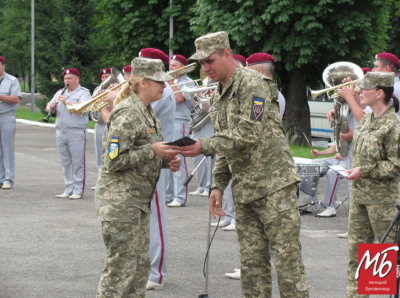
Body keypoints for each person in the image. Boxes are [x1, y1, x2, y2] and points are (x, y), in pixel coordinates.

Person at [180, 31, 309, 298]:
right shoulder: (219, 93)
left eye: (210, 61)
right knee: (252, 267)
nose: (205, 68)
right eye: (201, 64)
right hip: (245, 190)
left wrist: (202, 145)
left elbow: (248, 133)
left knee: (287, 265)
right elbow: (227, 143)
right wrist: (218, 184)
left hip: (275, 186)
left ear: (227, 53)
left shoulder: (252, 83)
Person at [95, 57, 181, 298]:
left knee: (139, 268)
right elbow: (113, 160)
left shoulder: (146, 110)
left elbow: (145, 151)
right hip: (120, 204)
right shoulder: (127, 112)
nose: (164, 87)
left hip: (136, 203)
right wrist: (152, 151)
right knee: (120, 271)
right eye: (159, 82)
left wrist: (166, 160)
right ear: (143, 83)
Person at [344, 71, 400, 298]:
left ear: (379, 93)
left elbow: (396, 165)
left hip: (383, 202)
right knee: (357, 256)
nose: (359, 91)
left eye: (364, 88)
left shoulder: (394, 125)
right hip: (359, 198)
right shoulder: (367, 119)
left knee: (385, 260)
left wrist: (364, 171)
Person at [138, 48, 176, 291]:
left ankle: (157, 273)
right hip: (143, 158)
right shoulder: (147, 89)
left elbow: (139, 122)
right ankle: (145, 268)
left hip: (157, 159)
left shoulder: (162, 90)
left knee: (156, 219)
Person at [46, 68, 91, 200]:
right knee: (65, 162)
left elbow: (83, 108)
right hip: (61, 131)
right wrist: (51, 107)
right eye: (65, 79)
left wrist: (66, 102)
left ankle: (78, 189)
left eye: (70, 78)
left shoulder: (84, 93)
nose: (67, 81)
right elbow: (48, 106)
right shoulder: (60, 92)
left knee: (78, 162)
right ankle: (68, 188)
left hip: (76, 131)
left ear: (77, 79)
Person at [165, 54, 196, 207]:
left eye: (174, 66)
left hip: (180, 122)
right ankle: (168, 194)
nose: (170, 69)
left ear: (184, 67)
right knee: (167, 159)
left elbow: (179, 99)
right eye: (170, 66)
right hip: (167, 121)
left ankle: (180, 196)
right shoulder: (168, 82)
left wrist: (170, 81)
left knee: (179, 159)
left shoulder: (189, 83)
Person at [0, 56, 21, 190]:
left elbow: (15, 98)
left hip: (6, 116)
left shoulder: (12, 80)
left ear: (3, 65)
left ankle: (8, 179)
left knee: (7, 149)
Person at [247, 53, 286, 118]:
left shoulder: (259, 95)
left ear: (259, 72)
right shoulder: (279, 95)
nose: (247, 76)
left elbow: (254, 125)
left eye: (249, 72)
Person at [92, 68, 112, 190]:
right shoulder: (98, 89)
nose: (105, 79)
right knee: (99, 153)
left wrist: (105, 101)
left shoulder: (116, 90)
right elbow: (92, 104)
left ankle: (108, 181)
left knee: (110, 153)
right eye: (103, 77)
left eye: (107, 77)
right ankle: (100, 179)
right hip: (99, 123)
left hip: (109, 123)